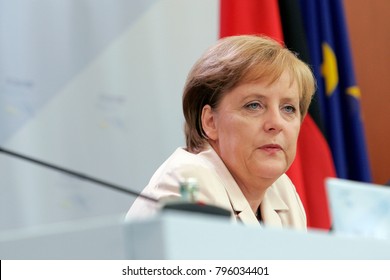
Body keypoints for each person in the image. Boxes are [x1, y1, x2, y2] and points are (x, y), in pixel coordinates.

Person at [126, 35, 315, 230]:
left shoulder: (282, 191)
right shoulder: (187, 181)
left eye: (288, 108)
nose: (276, 123)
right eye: (254, 105)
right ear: (210, 122)